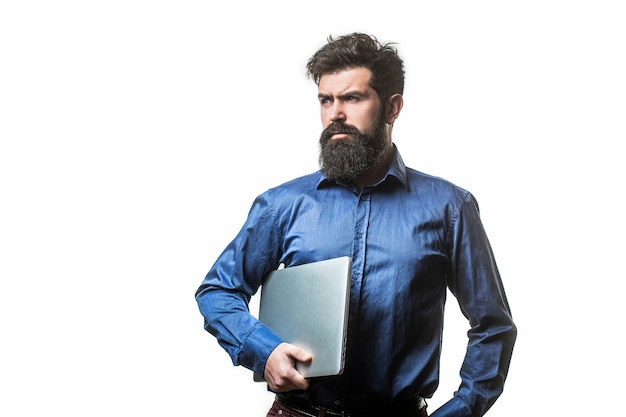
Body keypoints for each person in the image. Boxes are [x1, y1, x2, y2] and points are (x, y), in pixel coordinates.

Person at [195, 33, 516, 417]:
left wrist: (461, 410)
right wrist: (263, 351)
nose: (335, 114)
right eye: (326, 100)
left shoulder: (449, 207)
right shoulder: (281, 205)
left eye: (352, 98)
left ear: (392, 108)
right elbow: (218, 291)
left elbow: (493, 325)